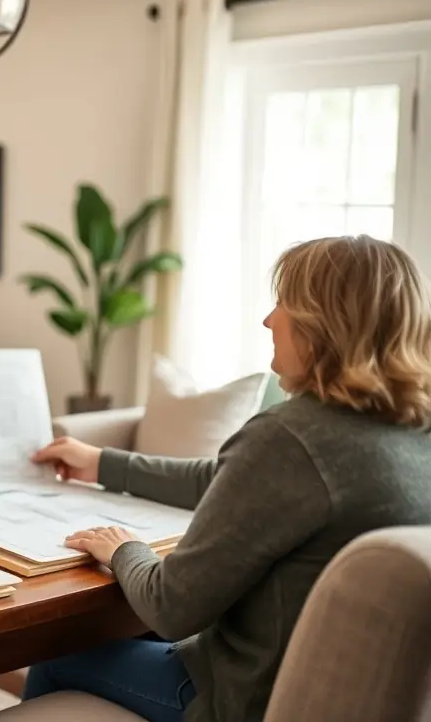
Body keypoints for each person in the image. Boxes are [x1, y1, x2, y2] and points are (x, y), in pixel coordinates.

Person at [21, 235, 431, 722]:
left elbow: (171, 606)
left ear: (321, 325)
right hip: (336, 699)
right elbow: (225, 480)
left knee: (56, 655)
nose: (268, 320)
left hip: (241, 701)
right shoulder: (411, 432)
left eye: (283, 303)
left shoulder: (290, 439)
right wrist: (104, 463)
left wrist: (123, 548)